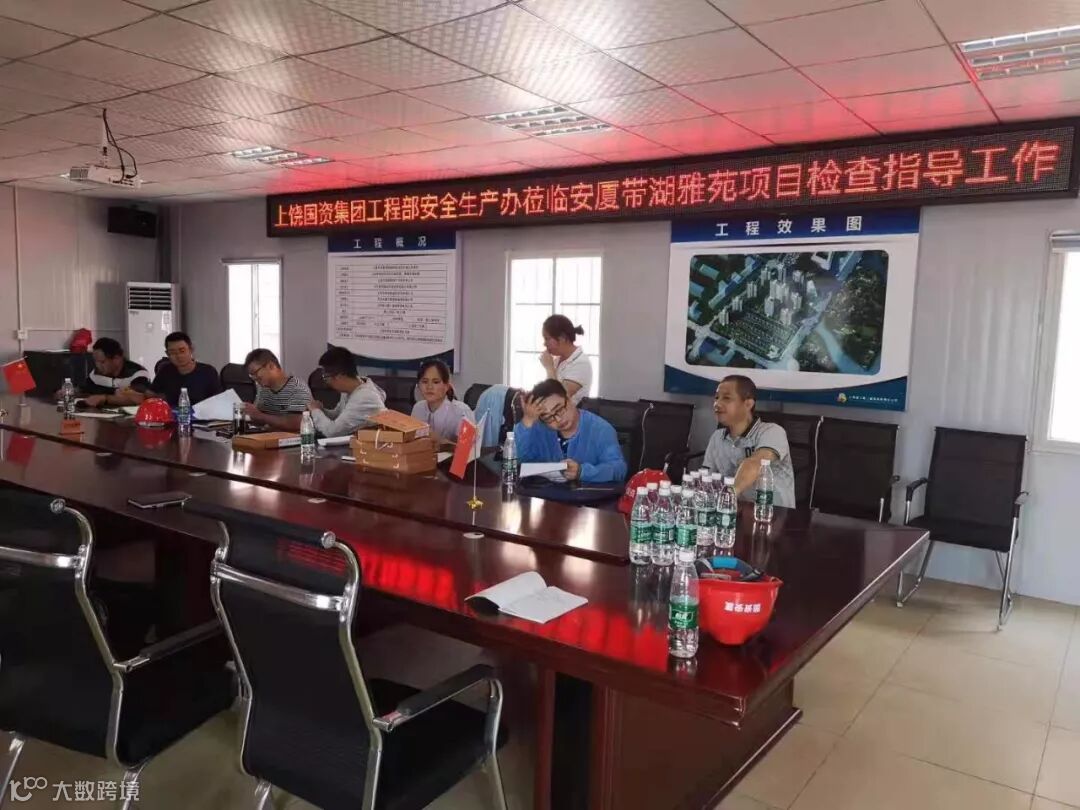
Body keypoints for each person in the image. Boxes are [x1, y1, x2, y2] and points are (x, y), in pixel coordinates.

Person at [703, 375, 796, 509]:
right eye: (717, 397)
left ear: (748, 404)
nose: (717, 404)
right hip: (734, 513)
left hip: (773, 514)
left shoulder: (772, 432)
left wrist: (728, 495)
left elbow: (755, 464)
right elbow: (706, 479)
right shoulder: (717, 437)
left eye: (726, 398)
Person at [514, 379, 626, 483]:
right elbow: (516, 461)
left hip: (588, 496)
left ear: (568, 398)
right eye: (548, 417)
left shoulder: (601, 429)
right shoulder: (541, 428)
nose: (558, 419)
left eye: (559, 409)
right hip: (546, 495)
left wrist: (582, 471)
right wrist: (527, 421)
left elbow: (619, 470)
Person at [122, 332, 221, 407]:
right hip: (170, 419)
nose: (178, 356)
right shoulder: (166, 371)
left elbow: (218, 401)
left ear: (191, 350)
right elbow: (150, 395)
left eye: (182, 351)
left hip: (202, 420)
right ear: (167, 354)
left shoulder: (208, 372)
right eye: (172, 352)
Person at [307, 346, 386, 438]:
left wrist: (315, 411)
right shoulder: (351, 389)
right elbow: (339, 416)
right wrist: (321, 410)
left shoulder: (364, 398)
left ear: (340, 376)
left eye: (325, 377)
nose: (326, 382)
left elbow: (332, 432)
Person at [243, 348, 311, 432]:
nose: (254, 378)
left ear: (271, 366)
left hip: (290, 439)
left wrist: (260, 416)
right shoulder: (263, 388)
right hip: (266, 436)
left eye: (255, 372)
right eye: (251, 375)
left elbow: (296, 424)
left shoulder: (297, 387)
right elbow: (261, 419)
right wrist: (248, 414)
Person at [410, 359, 475, 443]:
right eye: (425, 382)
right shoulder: (418, 408)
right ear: (418, 385)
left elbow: (468, 447)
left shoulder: (462, 411)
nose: (429, 387)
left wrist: (439, 440)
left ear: (446, 386)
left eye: (436, 382)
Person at [80, 338, 150, 407]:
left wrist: (105, 399)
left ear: (117, 359)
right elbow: (85, 391)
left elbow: (140, 398)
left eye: (102, 362)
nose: (98, 366)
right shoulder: (95, 374)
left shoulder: (138, 374)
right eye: (96, 361)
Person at [540, 314, 591, 405]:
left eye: (547, 339)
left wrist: (549, 368)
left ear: (562, 338)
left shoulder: (581, 363)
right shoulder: (557, 360)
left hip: (569, 413)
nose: (544, 344)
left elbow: (558, 399)